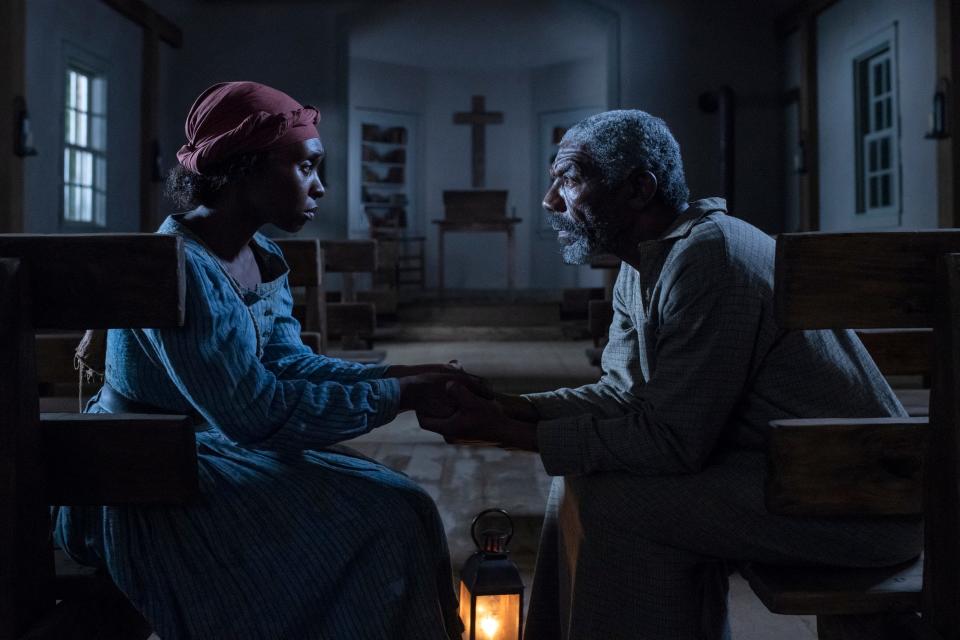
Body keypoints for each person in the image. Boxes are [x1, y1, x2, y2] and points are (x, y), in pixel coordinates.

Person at [418, 110, 922, 639]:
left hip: (859, 506)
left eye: (569, 178)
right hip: (787, 478)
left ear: (638, 188)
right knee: (578, 477)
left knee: (617, 503)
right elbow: (621, 393)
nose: (550, 201)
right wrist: (503, 406)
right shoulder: (647, 265)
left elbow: (673, 441)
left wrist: (502, 432)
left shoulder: (710, 258)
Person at [54, 81, 472, 640]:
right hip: (146, 476)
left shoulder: (261, 257)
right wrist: (399, 396)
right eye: (305, 167)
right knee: (386, 518)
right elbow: (254, 412)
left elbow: (286, 364)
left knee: (410, 505)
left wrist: (396, 376)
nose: (319, 187)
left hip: (210, 449)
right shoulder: (181, 267)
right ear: (242, 168)